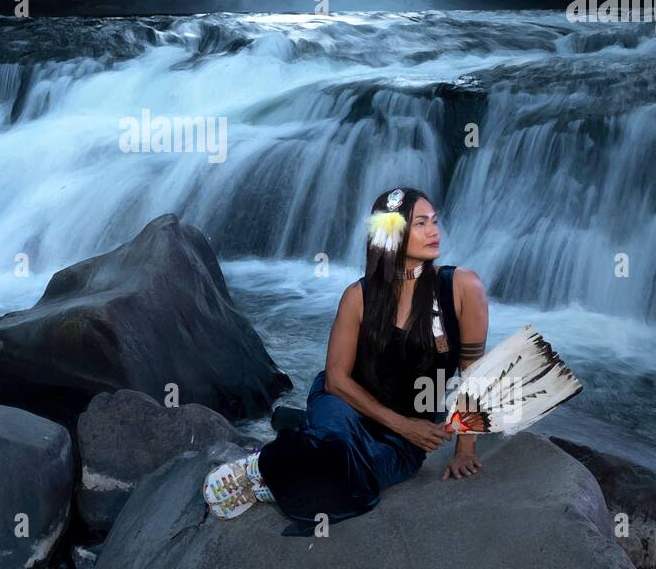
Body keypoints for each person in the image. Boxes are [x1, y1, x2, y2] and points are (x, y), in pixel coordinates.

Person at [201, 186, 490, 529]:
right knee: (334, 449)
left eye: (435, 221)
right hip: (345, 406)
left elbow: (474, 374)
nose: (434, 232)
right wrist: (406, 425)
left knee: (357, 481)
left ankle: (273, 478)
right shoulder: (358, 296)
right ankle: (259, 467)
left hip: (401, 443)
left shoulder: (462, 287)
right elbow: (337, 379)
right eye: (420, 224)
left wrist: (465, 450)